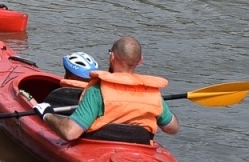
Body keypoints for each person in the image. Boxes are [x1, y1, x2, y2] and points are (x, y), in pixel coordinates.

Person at [40, 36, 180, 141]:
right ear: (140, 60)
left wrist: (47, 115)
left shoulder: (97, 91)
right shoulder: (152, 93)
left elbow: (70, 133)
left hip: (100, 148)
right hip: (140, 149)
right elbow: (172, 128)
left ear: (111, 57)